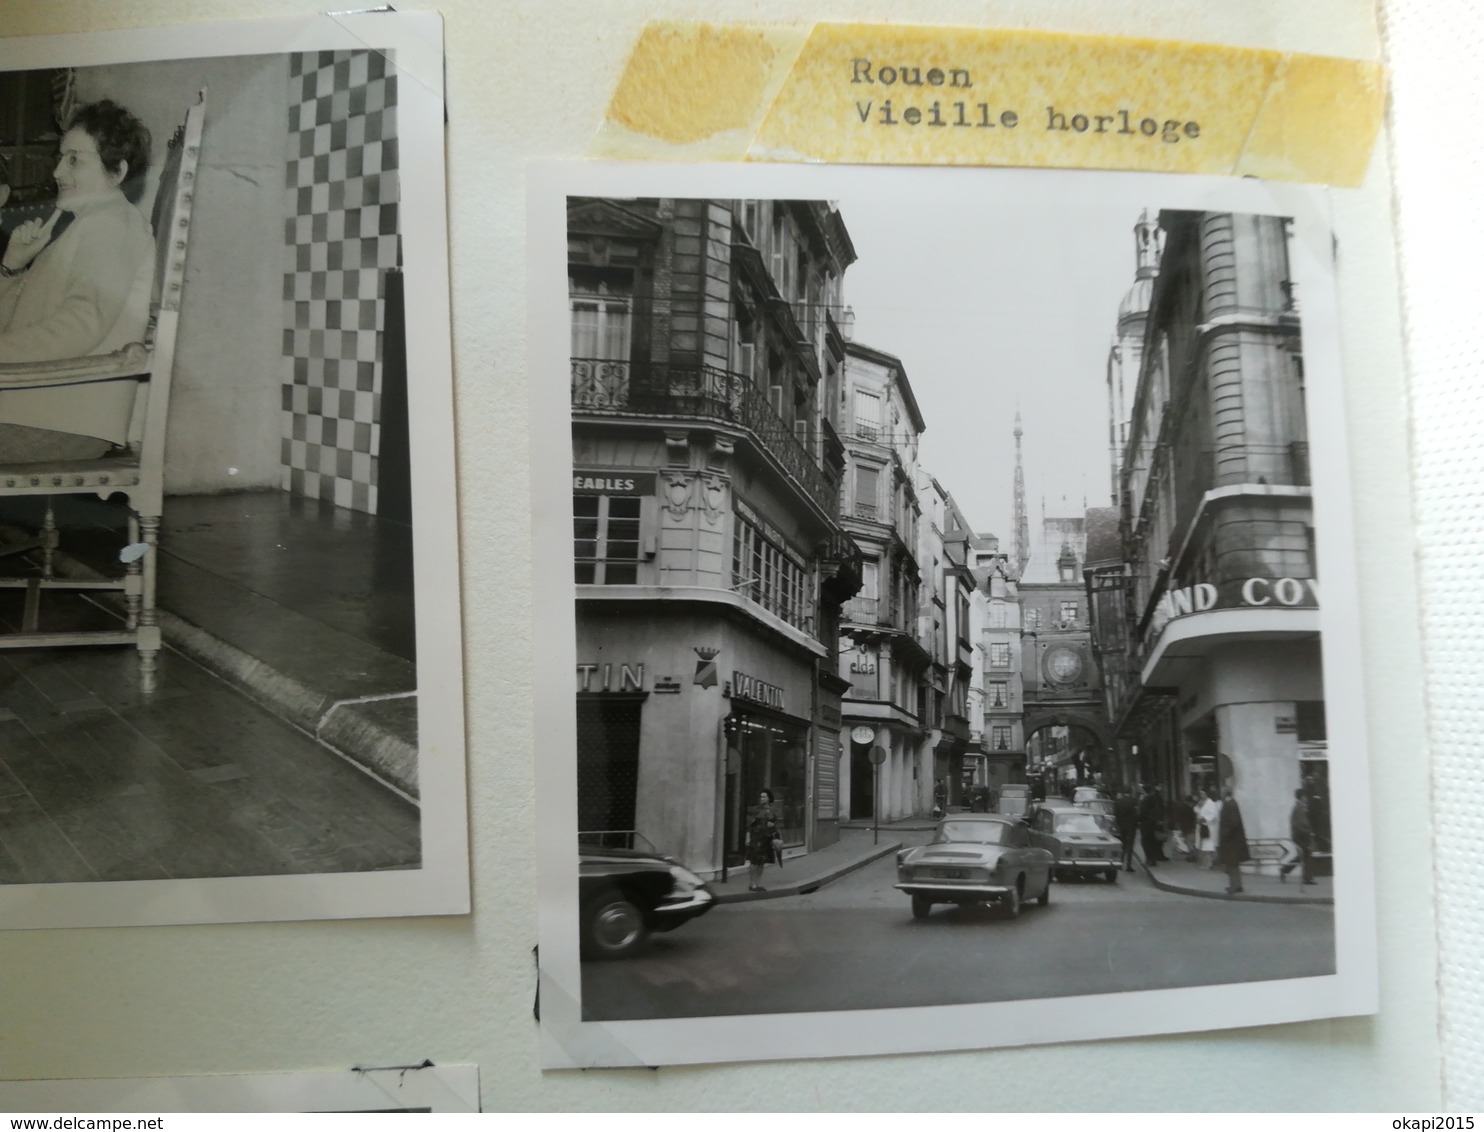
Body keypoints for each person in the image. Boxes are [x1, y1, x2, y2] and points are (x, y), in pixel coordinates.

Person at [0, 99, 154, 462]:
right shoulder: (84, 224)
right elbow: (13, 325)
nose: (56, 171)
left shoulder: (112, 224)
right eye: (60, 157)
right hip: (38, 409)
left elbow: (80, 325)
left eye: (74, 159)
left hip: (59, 420)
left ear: (116, 171)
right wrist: (12, 267)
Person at [1216, 786, 1251, 894]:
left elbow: (1233, 822)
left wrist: (1225, 833)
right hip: (1233, 840)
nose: (1220, 794)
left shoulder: (1229, 805)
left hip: (1231, 841)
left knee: (1232, 864)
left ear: (1225, 793)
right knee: (1233, 864)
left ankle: (1234, 886)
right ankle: (1238, 885)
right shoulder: (1231, 803)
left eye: (1222, 792)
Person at [1280, 788, 1317, 885]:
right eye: (1304, 796)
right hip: (1301, 836)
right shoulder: (1299, 808)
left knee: (1301, 857)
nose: (1306, 798)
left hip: (1299, 835)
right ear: (1302, 797)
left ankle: (1285, 870)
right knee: (1307, 855)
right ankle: (1308, 879)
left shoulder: (1298, 807)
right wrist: (1308, 832)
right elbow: (1301, 824)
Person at [745, 789, 779, 892]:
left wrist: (772, 823)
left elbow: (773, 820)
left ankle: (758, 883)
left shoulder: (772, 809)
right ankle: (752, 883)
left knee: (762, 862)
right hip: (756, 837)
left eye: (764, 797)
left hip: (766, 837)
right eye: (761, 797)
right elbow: (749, 825)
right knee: (754, 861)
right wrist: (748, 837)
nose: (762, 799)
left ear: (769, 798)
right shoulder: (755, 809)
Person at [1138, 783, 1168, 865]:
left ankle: (1150, 860)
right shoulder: (1153, 797)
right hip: (1153, 822)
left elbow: (1143, 812)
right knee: (1151, 841)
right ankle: (1153, 859)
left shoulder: (1146, 799)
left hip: (1146, 823)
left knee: (1146, 842)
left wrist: (1139, 819)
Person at [1113, 788, 1139, 872]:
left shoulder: (1117, 802)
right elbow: (1136, 814)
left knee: (1122, 846)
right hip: (1131, 826)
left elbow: (1115, 814)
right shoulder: (1134, 801)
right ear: (1131, 793)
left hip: (1121, 826)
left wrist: (1118, 824)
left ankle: (1120, 863)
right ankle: (1128, 865)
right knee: (1130, 846)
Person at [1196, 788, 1222, 870]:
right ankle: (1205, 862)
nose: (1201, 795)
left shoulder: (1211, 803)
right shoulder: (1202, 803)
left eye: (1203, 793)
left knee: (1208, 846)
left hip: (1208, 827)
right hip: (1202, 826)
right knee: (1203, 846)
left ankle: (1209, 863)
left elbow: (1213, 815)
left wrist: (1204, 819)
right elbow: (1196, 810)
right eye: (1200, 794)